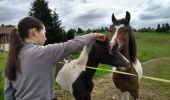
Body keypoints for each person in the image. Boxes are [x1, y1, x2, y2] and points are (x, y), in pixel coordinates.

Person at [4, 16, 106, 100]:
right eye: (44, 33)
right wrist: (94, 35)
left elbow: (8, 93)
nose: (46, 37)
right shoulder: (44, 53)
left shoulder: (12, 57)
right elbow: (73, 44)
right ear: (34, 32)